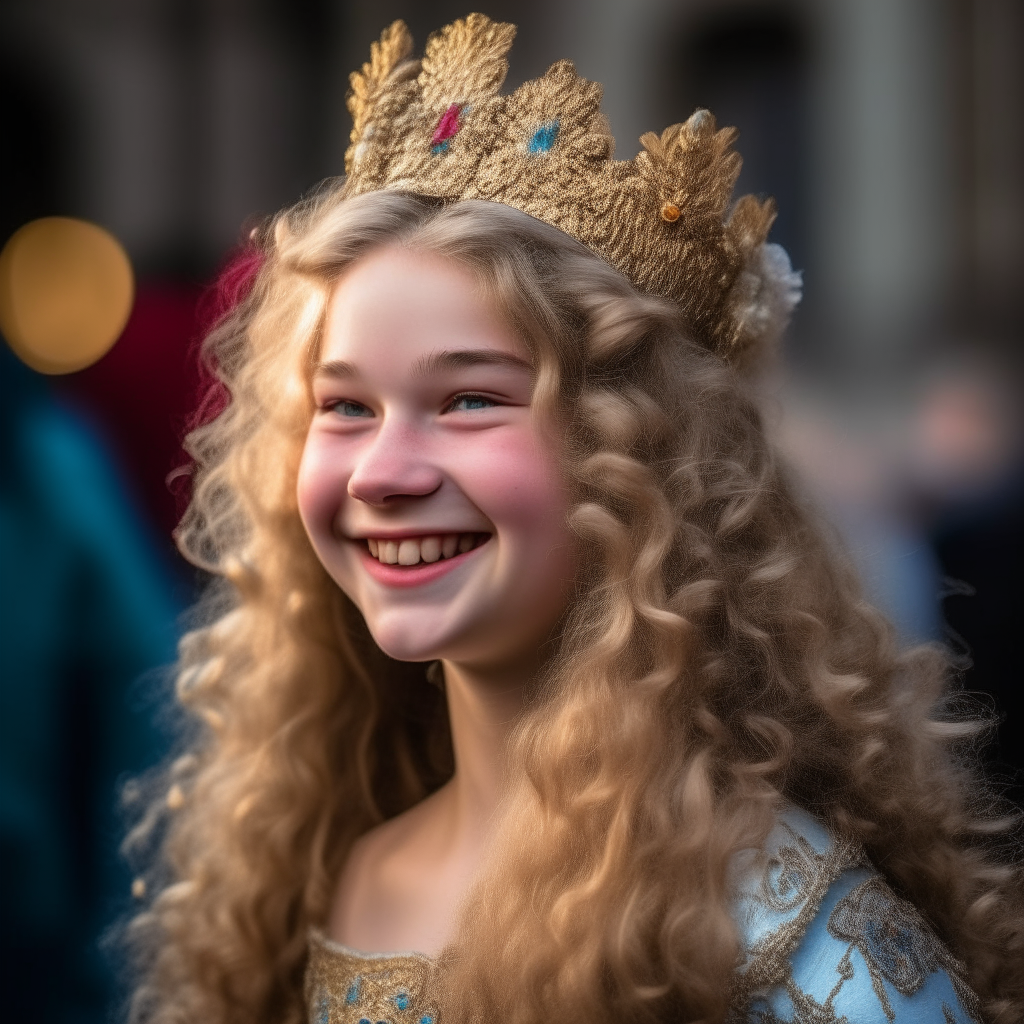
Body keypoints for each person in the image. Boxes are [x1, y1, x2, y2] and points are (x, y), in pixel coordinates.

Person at [123, 15, 1024, 1024]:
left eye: (469, 399)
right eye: (345, 406)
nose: (381, 471)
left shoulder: (778, 926)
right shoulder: (324, 871)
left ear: (628, 457)